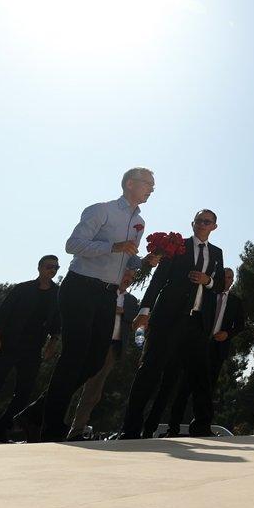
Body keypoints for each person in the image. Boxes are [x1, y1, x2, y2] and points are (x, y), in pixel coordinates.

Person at [26, 168, 157, 442]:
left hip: (107, 294)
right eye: (148, 184)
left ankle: (39, 410)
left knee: (96, 359)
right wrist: (114, 246)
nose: (152, 189)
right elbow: (73, 245)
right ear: (130, 183)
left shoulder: (139, 222)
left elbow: (127, 260)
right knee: (74, 354)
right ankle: (51, 427)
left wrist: (146, 261)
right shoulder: (101, 210)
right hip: (80, 287)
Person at [121, 209, 225, 438]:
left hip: (198, 323)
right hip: (168, 320)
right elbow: (158, 280)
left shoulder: (217, 253)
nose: (202, 224)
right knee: (150, 371)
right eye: (198, 221)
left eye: (206, 221)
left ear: (214, 227)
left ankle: (202, 427)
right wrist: (144, 311)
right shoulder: (178, 246)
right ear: (192, 223)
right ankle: (130, 429)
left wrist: (208, 280)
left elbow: (219, 286)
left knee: (200, 376)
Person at [0, 256, 61, 443]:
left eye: (56, 267)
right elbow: (2, 314)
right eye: (49, 266)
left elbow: (57, 321)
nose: (53, 270)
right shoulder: (22, 289)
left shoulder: (57, 294)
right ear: (39, 267)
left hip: (33, 348)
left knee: (24, 393)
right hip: (8, 344)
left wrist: (53, 342)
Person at [158, 267, 245, 437]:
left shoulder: (236, 301)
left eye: (230, 277)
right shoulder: (207, 296)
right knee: (184, 387)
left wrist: (227, 334)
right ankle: (173, 428)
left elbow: (240, 325)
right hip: (197, 346)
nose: (228, 280)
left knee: (207, 390)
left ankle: (201, 427)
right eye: (225, 277)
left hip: (217, 350)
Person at [65, 267, 140, 440]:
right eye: (126, 275)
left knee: (93, 392)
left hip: (112, 349)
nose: (128, 279)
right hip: (92, 344)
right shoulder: (104, 292)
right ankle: (54, 424)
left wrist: (122, 311)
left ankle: (76, 430)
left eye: (131, 277)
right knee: (71, 384)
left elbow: (135, 319)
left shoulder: (131, 300)